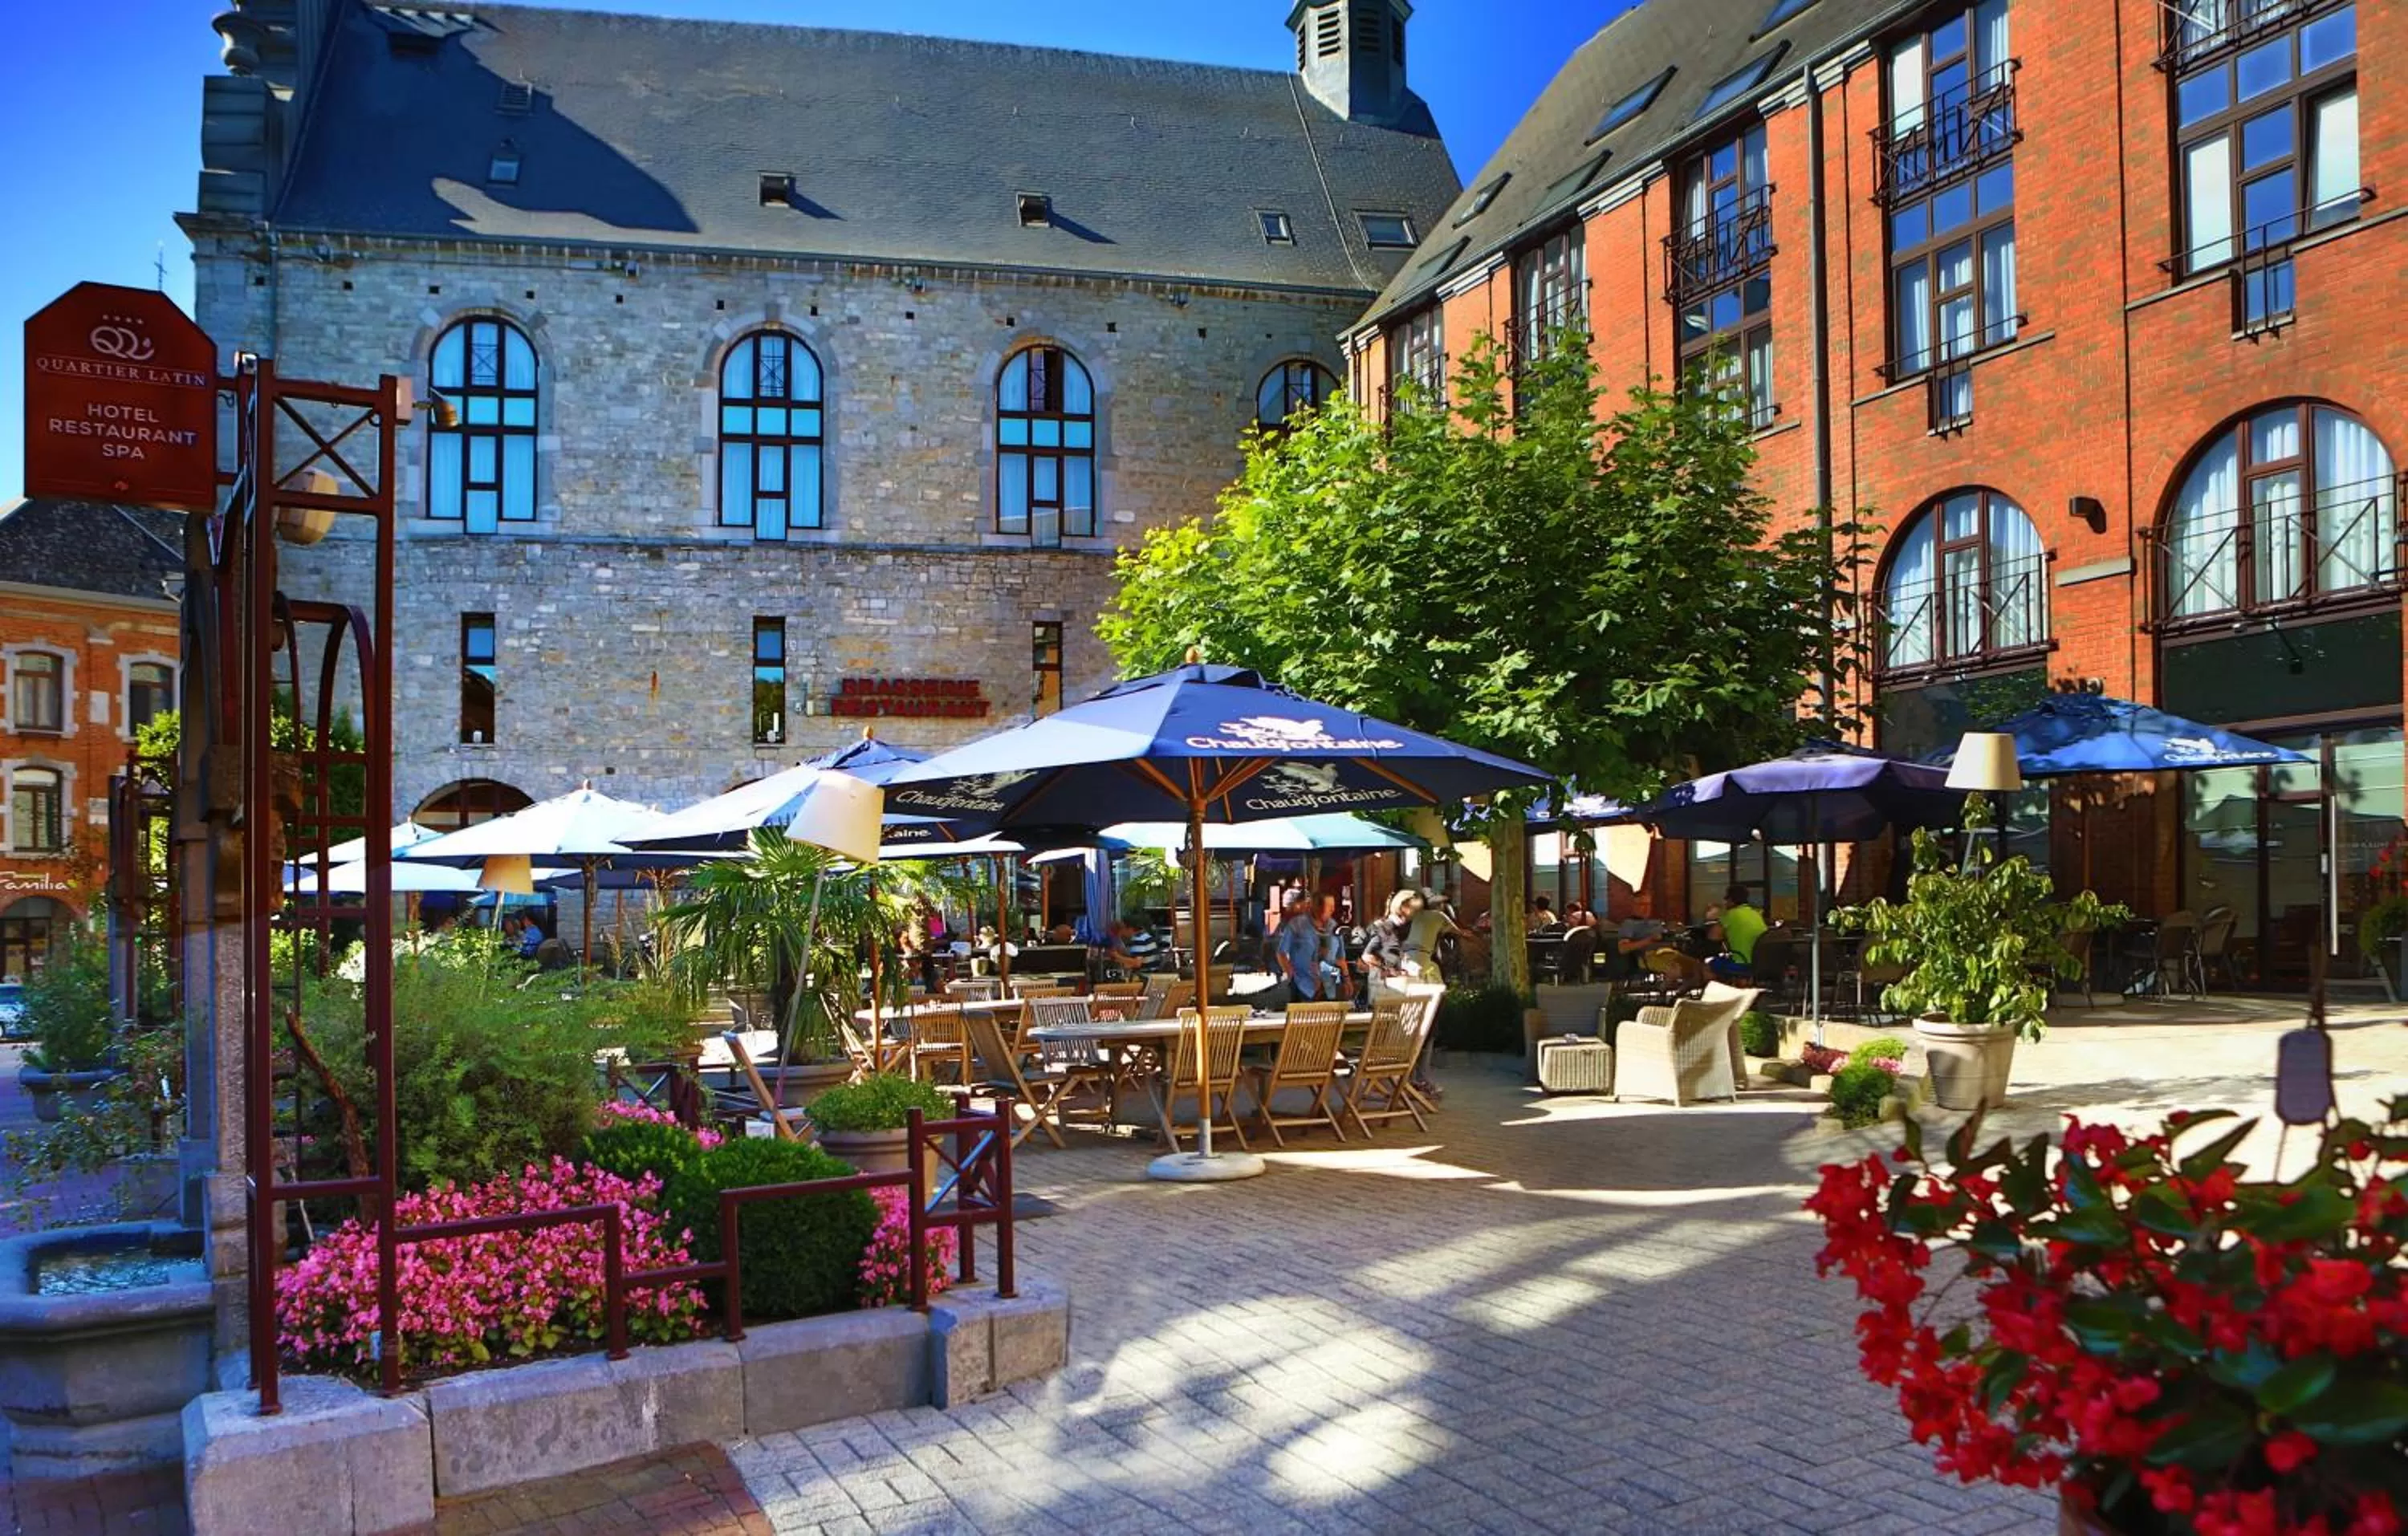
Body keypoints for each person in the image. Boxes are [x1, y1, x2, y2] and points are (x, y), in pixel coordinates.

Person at [1708, 883, 1767, 981]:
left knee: (1707, 966)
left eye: (1726, 900)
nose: (1725, 903)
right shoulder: (1756, 914)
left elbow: (1713, 937)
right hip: (1759, 963)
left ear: (1731, 901)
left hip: (1741, 962)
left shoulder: (1731, 914)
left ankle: (1718, 993)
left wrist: (1720, 917)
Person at [1402, 892, 1461, 984]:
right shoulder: (1438, 916)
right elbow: (1459, 932)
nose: (1442, 906)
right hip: (1422, 956)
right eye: (1439, 904)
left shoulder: (1411, 916)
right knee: (1435, 988)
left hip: (1405, 957)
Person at [1274, 895, 1322, 1002]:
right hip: (1298, 983)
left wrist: (1317, 977)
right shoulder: (1293, 925)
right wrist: (1291, 975)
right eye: (1306, 904)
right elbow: (1281, 953)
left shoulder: (1314, 928)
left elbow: (1314, 957)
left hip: (1312, 984)